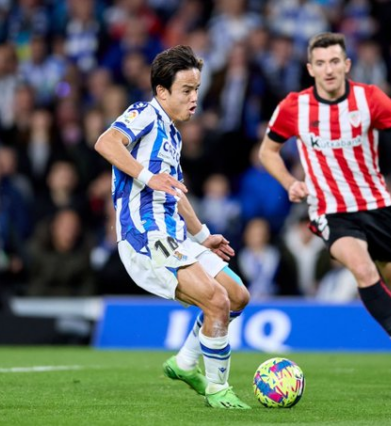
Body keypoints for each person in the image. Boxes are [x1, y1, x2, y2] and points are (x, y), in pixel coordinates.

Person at [259, 33, 391, 380]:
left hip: (376, 205)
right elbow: (268, 151)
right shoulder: (294, 107)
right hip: (329, 210)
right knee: (364, 271)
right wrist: (290, 183)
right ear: (310, 69)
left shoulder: (370, 99)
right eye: (320, 63)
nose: (328, 69)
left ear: (347, 65)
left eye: (335, 61)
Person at [94, 45, 251, 409]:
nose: (194, 98)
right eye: (186, 90)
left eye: (196, 89)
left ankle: (183, 363)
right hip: (146, 236)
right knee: (216, 300)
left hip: (175, 234)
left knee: (237, 297)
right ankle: (217, 389)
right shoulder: (144, 113)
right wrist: (148, 177)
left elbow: (176, 192)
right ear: (162, 91)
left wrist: (202, 235)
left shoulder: (173, 135)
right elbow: (106, 142)